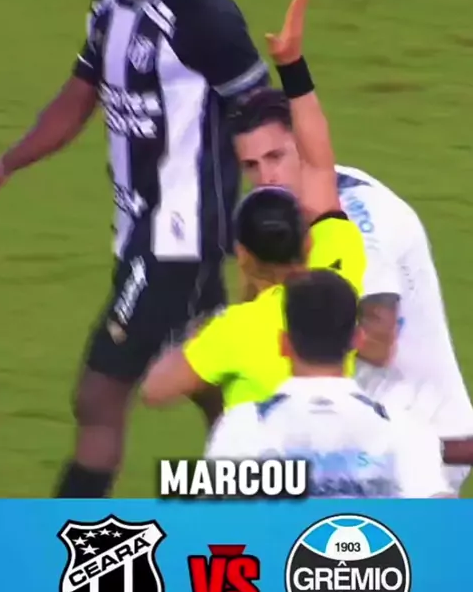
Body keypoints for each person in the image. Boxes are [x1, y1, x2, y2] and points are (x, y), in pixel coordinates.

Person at [0, 0, 270, 498]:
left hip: (180, 237)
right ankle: (272, 490)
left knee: (99, 395)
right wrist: (6, 164)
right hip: (139, 230)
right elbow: (79, 96)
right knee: (213, 382)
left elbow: (263, 114)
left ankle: (66, 530)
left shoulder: (203, 12)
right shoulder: (109, 3)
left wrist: (273, 214)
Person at [230, 68, 473, 495]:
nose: (266, 177)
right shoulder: (269, 216)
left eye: (275, 156)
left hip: (421, 435)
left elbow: (378, 342)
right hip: (350, 432)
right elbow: (257, 305)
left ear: (302, 145)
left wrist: (287, 292)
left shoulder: (359, 215)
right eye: (252, 165)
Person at [206, 269, 453, 499]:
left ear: (283, 344)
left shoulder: (241, 428)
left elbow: (216, 522)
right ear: (357, 340)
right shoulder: (409, 432)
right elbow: (442, 522)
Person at [142, 184, 365, 411]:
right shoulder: (341, 277)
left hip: (261, 433)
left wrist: (196, 334)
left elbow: (155, 390)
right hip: (337, 428)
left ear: (242, 255)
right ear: (308, 244)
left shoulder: (234, 329)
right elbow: (329, 214)